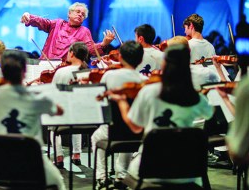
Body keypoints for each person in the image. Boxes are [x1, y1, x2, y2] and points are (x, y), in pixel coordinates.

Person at [0, 50, 66, 190]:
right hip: (32, 164)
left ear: (2, 70)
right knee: (59, 183)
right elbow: (59, 111)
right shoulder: (37, 97)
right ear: (24, 71)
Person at [109, 44, 213, 186]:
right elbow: (209, 113)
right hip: (188, 171)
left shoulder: (149, 91)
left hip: (149, 168)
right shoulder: (195, 97)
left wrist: (122, 103)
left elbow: (136, 128)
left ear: (164, 64)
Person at [91, 40, 146, 188]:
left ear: (120, 57)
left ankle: (101, 177)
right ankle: (121, 175)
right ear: (141, 60)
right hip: (137, 133)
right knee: (128, 131)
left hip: (112, 132)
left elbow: (100, 100)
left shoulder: (110, 76)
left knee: (96, 137)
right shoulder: (144, 81)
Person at [20, 2, 115, 59]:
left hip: (65, 68)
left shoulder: (84, 31)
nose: (80, 15)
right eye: (78, 12)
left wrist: (104, 43)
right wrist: (29, 16)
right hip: (45, 64)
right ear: (69, 13)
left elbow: (90, 49)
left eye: (83, 15)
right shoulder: (57, 23)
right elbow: (43, 22)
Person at [50, 42, 89, 169]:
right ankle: (76, 155)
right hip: (83, 115)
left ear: (72, 53)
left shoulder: (61, 72)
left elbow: (53, 93)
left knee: (51, 123)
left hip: (63, 115)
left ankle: (59, 157)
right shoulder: (88, 72)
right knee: (76, 116)